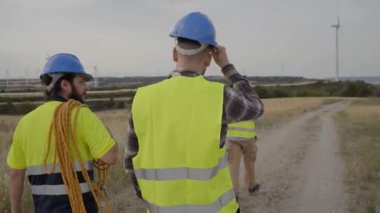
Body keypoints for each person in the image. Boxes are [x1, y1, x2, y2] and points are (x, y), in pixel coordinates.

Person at [125, 12, 264, 212]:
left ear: (174, 54)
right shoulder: (219, 96)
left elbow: (130, 162)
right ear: (209, 59)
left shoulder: (142, 98)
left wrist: (149, 197)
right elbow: (256, 106)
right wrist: (226, 67)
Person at [7, 53, 118, 213]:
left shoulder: (26, 122)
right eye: (81, 81)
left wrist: (15, 210)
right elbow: (110, 156)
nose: (86, 87)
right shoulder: (81, 114)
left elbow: (15, 174)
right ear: (65, 85)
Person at [227, 120, 259, 198]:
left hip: (232, 136)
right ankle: (252, 185)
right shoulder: (251, 106)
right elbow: (259, 113)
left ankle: (234, 193)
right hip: (249, 135)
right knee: (250, 162)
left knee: (233, 165)